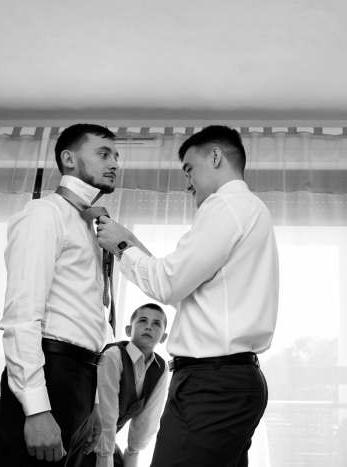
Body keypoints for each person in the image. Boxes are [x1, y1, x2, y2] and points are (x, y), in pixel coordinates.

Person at [95, 125, 279, 467]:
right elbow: (187, 290)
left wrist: (121, 247)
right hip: (229, 382)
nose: (187, 182)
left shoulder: (226, 205)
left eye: (189, 169)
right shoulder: (249, 211)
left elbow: (169, 283)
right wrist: (131, 245)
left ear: (215, 156)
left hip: (212, 385)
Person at [0, 123, 120, 466]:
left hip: (81, 379)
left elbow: (87, 316)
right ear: (68, 159)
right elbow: (21, 315)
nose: (114, 163)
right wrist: (36, 410)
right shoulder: (44, 214)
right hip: (52, 374)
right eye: (103, 153)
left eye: (116, 156)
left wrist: (93, 404)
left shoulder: (90, 225)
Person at [83, 303, 169, 467]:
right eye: (143, 321)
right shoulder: (113, 356)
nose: (149, 327)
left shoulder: (161, 368)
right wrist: (105, 457)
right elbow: (106, 413)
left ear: (163, 337)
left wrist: (132, 453)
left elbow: (148, 419)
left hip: (107, 439)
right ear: (129, 330)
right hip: (86, 436)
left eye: (156, 324)